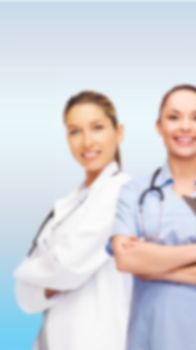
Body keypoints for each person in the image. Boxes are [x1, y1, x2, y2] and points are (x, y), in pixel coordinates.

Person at [110, 84, 196, 349]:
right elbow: (126, 259)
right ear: (159, 127)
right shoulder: (134, 191)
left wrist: (152, 264)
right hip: (152, 335)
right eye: (174, 117)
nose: (185, 127)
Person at [14, 91, 133, 349]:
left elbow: (67, 268)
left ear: (119, 132)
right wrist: (43, 280)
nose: (86, 142)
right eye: (75, 131)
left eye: (97, 128)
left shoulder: (121, 194)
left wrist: (27, 272)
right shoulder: (66, 206)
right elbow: (24, 298)